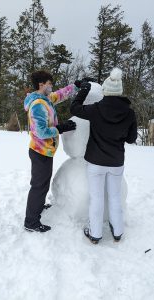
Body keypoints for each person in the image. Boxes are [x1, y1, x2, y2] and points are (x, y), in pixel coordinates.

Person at [70, 68, 137, 244]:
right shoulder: (130, 113)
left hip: (95, 162)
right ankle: (118, 231)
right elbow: (131, 139)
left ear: (105, 90)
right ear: (120, 91)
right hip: (116, 162)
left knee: (97, 197)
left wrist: (83, 89)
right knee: (114, 197)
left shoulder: (96, 109)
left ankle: (95, 233)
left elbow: (74, 108)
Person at [24, 70, 78, 233]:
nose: (52, 86)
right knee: (39, 185)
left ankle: (38, 206)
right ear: (41, 85)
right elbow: (40, 132)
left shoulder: (45, 99)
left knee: (43, 183)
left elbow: (59, 95)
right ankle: (31, 222)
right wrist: (59, 129)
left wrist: (75, 86)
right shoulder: (38, 105)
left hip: (45, 151)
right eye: (49, 84)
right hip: (40, 151)